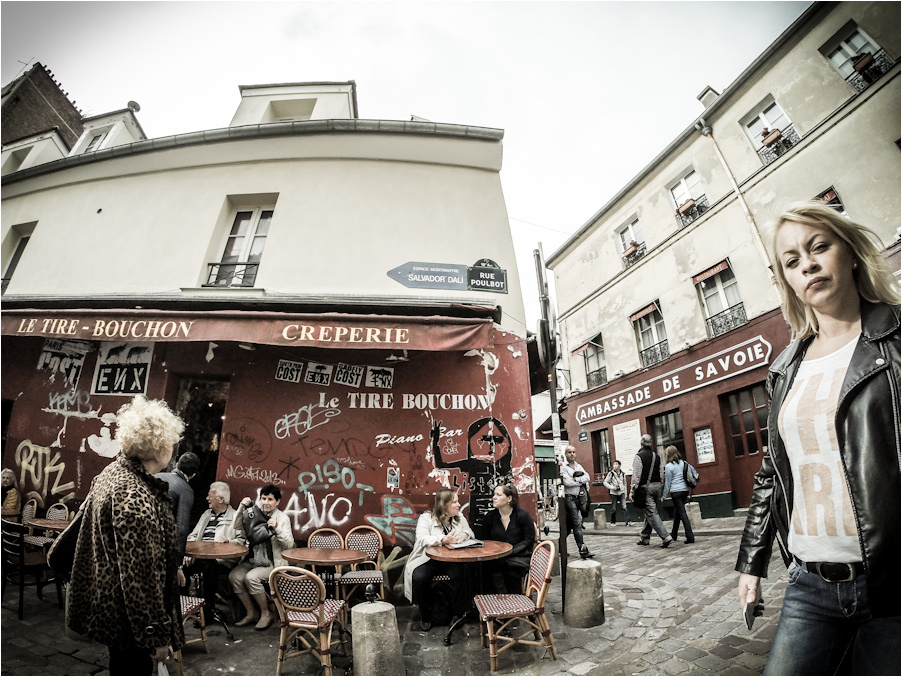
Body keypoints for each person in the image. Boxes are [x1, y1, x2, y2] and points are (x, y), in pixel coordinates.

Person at [736, 201, 900, 675]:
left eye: (818, 246)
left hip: (893, 583)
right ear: (787, 280)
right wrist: (751, 561)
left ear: (849, 253)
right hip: (808, 584)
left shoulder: (896, 338)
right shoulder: (785, 368)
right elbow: (771, 472)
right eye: (791, 261)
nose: (806, 263)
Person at [67, 395, 185, 675]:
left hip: (114, 610)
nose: (172, 448)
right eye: (171, 442)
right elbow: (139, 579)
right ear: (159, 448)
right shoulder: (134, 497)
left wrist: (171, 568)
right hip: (130, 624)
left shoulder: (114, 473)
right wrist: (154, 636)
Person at [403, 488, 474, 631]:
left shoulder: (459, 517)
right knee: (419, 577)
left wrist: (464, 535)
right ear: (444, 504)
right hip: (428, 558)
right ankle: (426, 615)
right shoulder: (426, 518)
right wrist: (443, 539)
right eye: (454, 502)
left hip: (451, 559)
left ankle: (458, 613)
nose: (458, 504)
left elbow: (469, 532)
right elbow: (422, 538)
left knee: (461, 574)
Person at [228, 484, 294, 631]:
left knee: (251, 578)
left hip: (272, 562)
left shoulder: (282, 518)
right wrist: (241, 508)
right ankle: (251, 612)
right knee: (235, 576)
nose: (266, 502)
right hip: (252, 560)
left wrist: (277, 528)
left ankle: (266, 613)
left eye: (270, 499)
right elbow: (236, 527)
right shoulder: (253, 513)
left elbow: (289, 545)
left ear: (277, 502)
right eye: (263, 498)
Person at [183, 481, 244, 610]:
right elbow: (193, 536)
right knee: (180, 568)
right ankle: (184, 607)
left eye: (210, 496)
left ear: (221, 499)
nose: (207, 499)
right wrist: (188, 552)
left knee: (208, 568)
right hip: (199, 556)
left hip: (222, 561)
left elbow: (242, 542)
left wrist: (228, 541)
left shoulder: (235, 517)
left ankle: (208, 610)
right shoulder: (206, 514)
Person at [479, 484, 536, 593]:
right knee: (481, 568)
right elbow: (484, 540)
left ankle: (515, 601)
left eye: (498, 495)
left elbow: (529, 539)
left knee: (511, 568)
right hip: (496, 556)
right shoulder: (490, 517)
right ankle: (490, 601)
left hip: (519, 556)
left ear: (509, 498)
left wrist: (510, 551)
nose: (494, 497)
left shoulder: (522, 516)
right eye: (494, 494)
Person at [156, 451, 200, 586]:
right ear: (193, 475)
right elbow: (181, 529)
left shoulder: (155, 476)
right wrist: (178, 566)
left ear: (176, 464)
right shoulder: (185, 489)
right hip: (161, 546)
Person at [631, 434, 672, 548]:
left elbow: (636, 476)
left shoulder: (638, 456)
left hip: (646, 488)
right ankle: (645, 537)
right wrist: (662, 487)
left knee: (652, 513)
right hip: (657, 486)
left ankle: (666, 537)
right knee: (650, 511)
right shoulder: (656, 456)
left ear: (641, 443)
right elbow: (661, 473)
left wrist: (632, 489)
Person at [560, 445, 591, 557]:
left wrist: (576, 479)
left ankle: (560, 547)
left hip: (578, 498)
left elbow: (587, 477)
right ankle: (582, 549)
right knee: (577, 523)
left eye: (573, 452)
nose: (572, 454)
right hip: (569, 498)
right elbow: (567, 483)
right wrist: (580, 481)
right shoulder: (563, 467)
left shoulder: (578, 466)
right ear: (566, 454)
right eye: (569, 452)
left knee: (569, 526)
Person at [662, 446, 694, 544]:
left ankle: (690, 537)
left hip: (676, 492)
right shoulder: (683, 463)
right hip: (685, 491)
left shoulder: (668, 466)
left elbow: (668, 483)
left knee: (682, 514)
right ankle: (674, 534)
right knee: (678, 513)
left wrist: (663, 495)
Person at [602, 460, 631, 526]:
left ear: (619, 465)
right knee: (613, 508)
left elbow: (625, 484)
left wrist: (625, 492)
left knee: (624, 506)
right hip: (613, 493)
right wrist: (612, 487)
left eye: (616, 464)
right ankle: (613, 521)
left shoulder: (623, 474)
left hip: (621, 492)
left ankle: (628, 521)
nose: (615, 466)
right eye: (614, 464)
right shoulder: (611, 474)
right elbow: (605, 482)